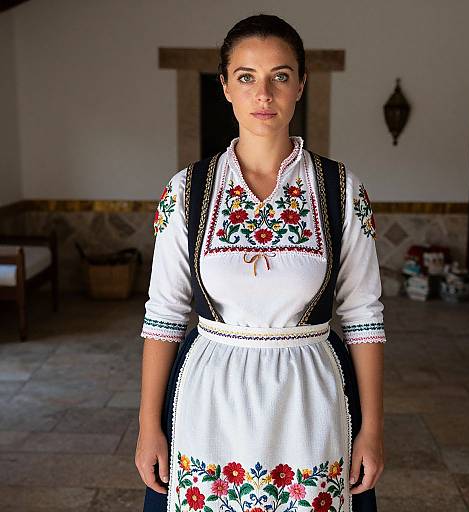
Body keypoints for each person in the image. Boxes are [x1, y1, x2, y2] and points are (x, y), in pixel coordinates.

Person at [135, 13, 386, 512]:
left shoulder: (340, 189)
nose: (264, 94)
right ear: (225, 86)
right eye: (246, 77)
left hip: (310, 397)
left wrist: (373, 429)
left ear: (301, 85)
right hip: (210, 398)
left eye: (281, 76)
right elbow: (163, 315)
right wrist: (148, 427)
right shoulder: (187, 191)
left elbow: (364, 317)